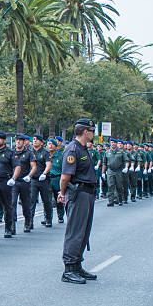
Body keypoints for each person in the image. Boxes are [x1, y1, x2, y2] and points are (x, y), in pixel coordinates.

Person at [57, 119, 98, 284]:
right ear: (85, 131)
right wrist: (62, 192)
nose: (94, 134)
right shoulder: (73, 149)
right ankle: (68, 269)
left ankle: (77, 265)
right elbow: (65, 176)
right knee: (75, 231)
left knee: (84, 231)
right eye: (92, 130)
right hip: (78, 193)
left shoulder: (82, 148)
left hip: (87, 193)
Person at [0, 130, 21, 239]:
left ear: (4, 140)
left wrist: (13, 178)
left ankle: (8, 228)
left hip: (6, 182)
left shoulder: (10, 152)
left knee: (8, 206)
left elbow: (17, 167)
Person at [12, 134, 36, 234]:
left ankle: (27, 222)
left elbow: (34, 167)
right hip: (14, 181)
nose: (18, 142)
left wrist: (29, 176)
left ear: (24, 142)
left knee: (26, 204)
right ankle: (11, 225)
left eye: (20, 140)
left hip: (24, 181)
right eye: (16, 140)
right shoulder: (12, 152)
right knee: (12, 203)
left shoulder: (29, 153)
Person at [30, 134, 53, 228]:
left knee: (46, 201)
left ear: (41, 142)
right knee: (31, 202)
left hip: (44, 180)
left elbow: (48, 165)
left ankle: (48, 219)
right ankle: (29, 222)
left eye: (36, 139)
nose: (34, 141)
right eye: (33, 139)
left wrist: (44, 173)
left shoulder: (45, 152)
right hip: (33, 180)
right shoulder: (30, 152)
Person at [102, 138, 127, 206]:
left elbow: (126, 161)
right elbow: (104, 163)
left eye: (114, 142)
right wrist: (103, 172)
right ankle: (111, 201)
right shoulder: (107, 152)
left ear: (116, 143)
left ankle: (120, 199)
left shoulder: (121, 152)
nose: (113, 144)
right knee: (110, 186)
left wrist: (126, 168)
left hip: (118, 170)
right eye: (111, 142)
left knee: (119, 186)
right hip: (110, 170)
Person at [48, 138, 65, 224]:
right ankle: (47, 218)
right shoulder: (46, 155)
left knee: (58, 199)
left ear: (56, 146)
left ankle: (60, 216)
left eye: (52, 144)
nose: (50, 146)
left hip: (57, 179)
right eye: (49, 144)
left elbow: (64, 169)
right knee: (47, 200)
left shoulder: (60, 155)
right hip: (47, 179)